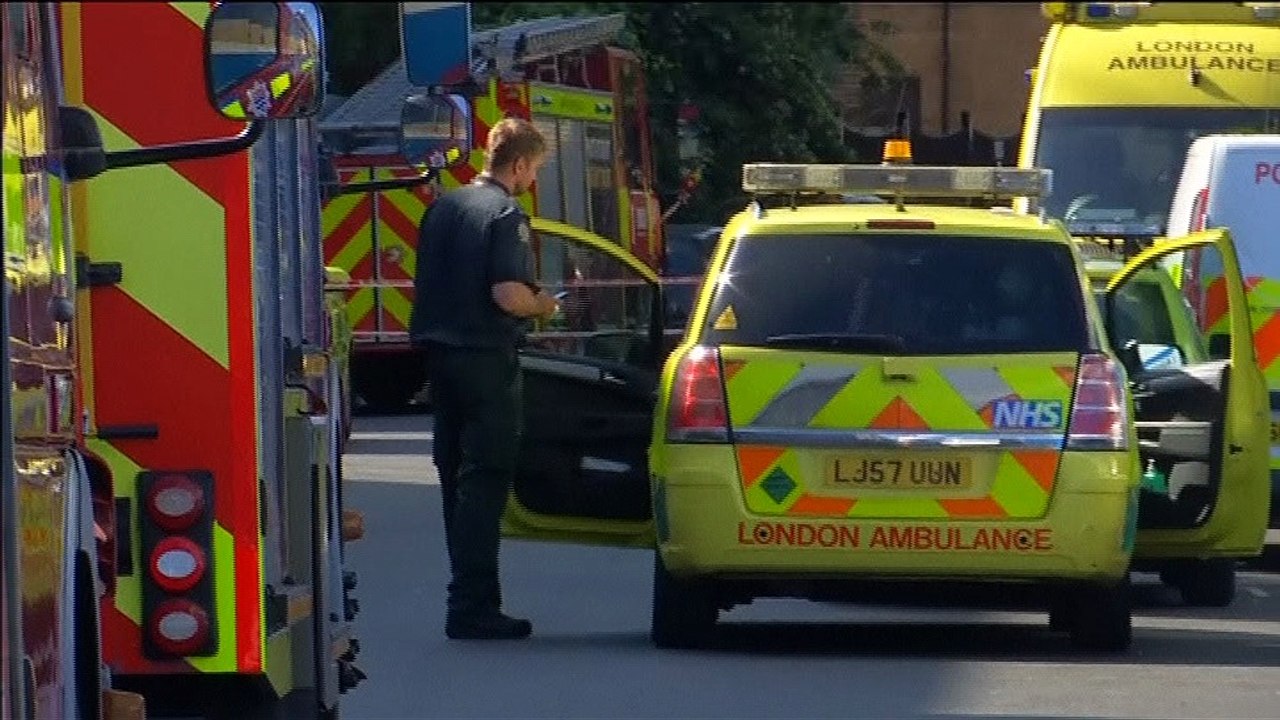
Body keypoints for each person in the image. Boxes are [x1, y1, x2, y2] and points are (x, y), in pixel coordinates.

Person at [408, 117, 558, 641]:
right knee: (485, 481)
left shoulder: (443, 206)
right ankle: (472, 606)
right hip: (485, 362)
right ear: (518, 164)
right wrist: (545, 304)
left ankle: (468, 599)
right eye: (534, 170)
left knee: (454, 478)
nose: (532, 180)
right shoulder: (505, 213)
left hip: (438, 360)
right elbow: (508, 295)